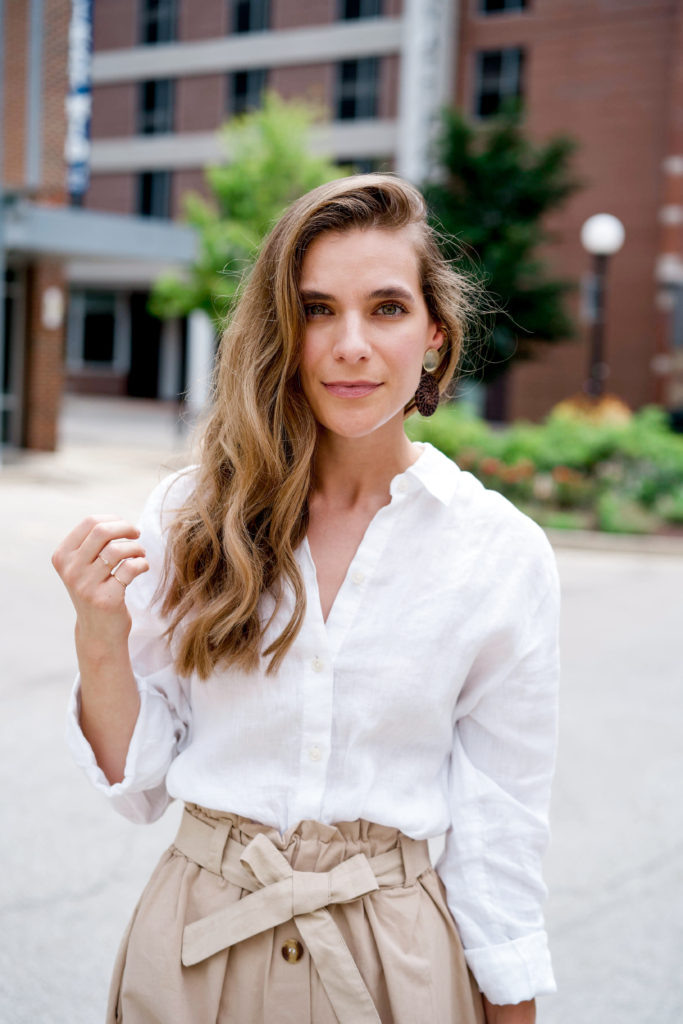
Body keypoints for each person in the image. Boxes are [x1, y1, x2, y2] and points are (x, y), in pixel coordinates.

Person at [53, 174, 560, 1024]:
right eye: (317, 309)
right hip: (194, 948)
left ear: (435, 335)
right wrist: (100, 634)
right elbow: (137, 790)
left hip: (396, 962)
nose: (350, 344)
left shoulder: (498, 553)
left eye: (387, 309)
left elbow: (501, 829)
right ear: (281, 332)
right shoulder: (191, 517)